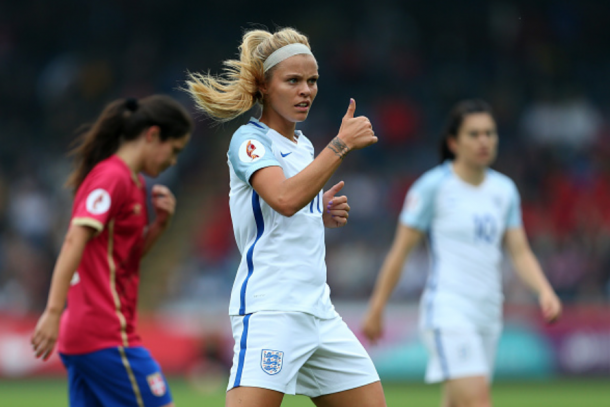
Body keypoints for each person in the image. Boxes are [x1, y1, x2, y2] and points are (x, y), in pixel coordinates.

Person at [185, 27, 387, 407]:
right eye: (292, 80)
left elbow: (292, 204)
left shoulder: (304, 145)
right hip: (271, 310)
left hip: (318, 312)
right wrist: (341, 144)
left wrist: (319, 209)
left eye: (311, 81)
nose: (306, 90)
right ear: (264, 86)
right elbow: (283, 197)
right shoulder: (249, 141)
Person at [361, 99, 562, 407]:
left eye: (489, 133)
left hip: (489, 312)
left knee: (457, 402)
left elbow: (519, 252)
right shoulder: (432, 187)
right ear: (454, 142)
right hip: (449, 310)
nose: (484, 141)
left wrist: (545, 291)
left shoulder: (504, 190)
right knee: (478, 401)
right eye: (474, 134)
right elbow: (400, 252)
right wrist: (377, 307)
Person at [31, 95, 193, 407]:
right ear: (152, 135)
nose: (173, 161)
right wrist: (51, 312)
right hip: (104, 332)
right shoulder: (112, 177)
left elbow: (123, 260)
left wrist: (159, 227)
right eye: (174, 150)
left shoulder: (133, 183)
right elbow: (73, 240)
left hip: (86, 336)